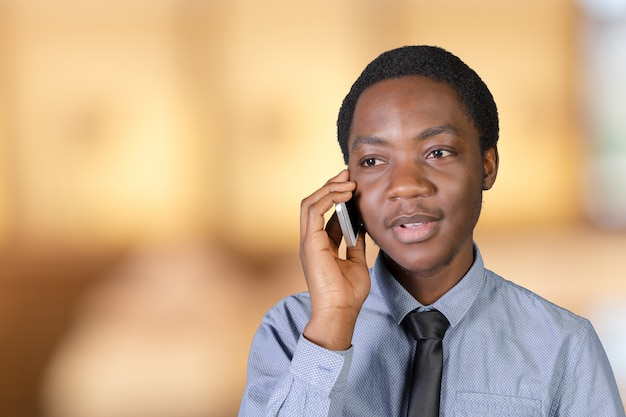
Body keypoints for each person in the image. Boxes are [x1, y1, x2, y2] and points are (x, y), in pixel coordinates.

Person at [238, 45, 625, 416]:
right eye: (373, 160)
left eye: (437, 152)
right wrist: (332, 325)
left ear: (487, 166)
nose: (406, 185)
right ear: (346, 185)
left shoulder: (562, 345)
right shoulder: (292, 330)